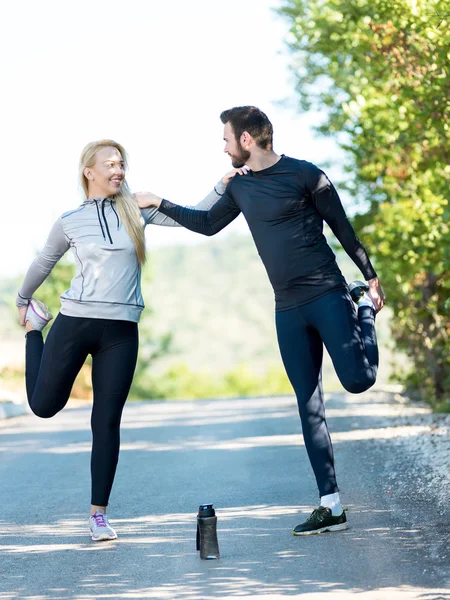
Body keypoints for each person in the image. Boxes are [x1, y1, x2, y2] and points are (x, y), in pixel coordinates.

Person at [137, 106, 386, 536]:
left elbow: (343, 229)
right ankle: (331, 506)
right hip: (287, 308)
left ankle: (362, 309)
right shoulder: (239, 189)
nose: (224, 146)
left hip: (328, 292)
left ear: (247, 140)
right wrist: (159, 201)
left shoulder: (307, 175)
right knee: (309, 408)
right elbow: (206, 225)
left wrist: (370, 279)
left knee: (359, 380)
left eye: (227, 139)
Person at [16, 139, 244, 542]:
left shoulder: (136, 210)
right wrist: (22, 300)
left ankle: (98, 515)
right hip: (75, 321)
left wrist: (222, 185)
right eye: (109, 164)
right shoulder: (70, 220)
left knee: (106, 421)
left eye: (121, 164)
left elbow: (195, 216)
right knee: (43, 406)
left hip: (121, 330)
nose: (118, 170)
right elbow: (44, 262)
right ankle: (37, 329)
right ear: (89, 171)